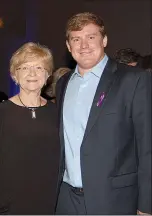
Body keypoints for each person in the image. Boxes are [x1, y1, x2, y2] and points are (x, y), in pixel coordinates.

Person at [55, 12, 151, 215]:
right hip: (65, 199)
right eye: (76, 39)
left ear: (104, 40)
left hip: (115, 200)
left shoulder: (134, 80)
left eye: (91, 37)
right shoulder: (63, 84)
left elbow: (147, 147)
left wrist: (146, 204)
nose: (84, 45)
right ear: (68, 45)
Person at [0, 42, 60, 214]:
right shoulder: (2, 112)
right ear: (15, 75)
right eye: (24, 68)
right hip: (12, 200)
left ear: (47, 74)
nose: (32, 73)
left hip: (50, 198)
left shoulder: (55, 111)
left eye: (39, 67)